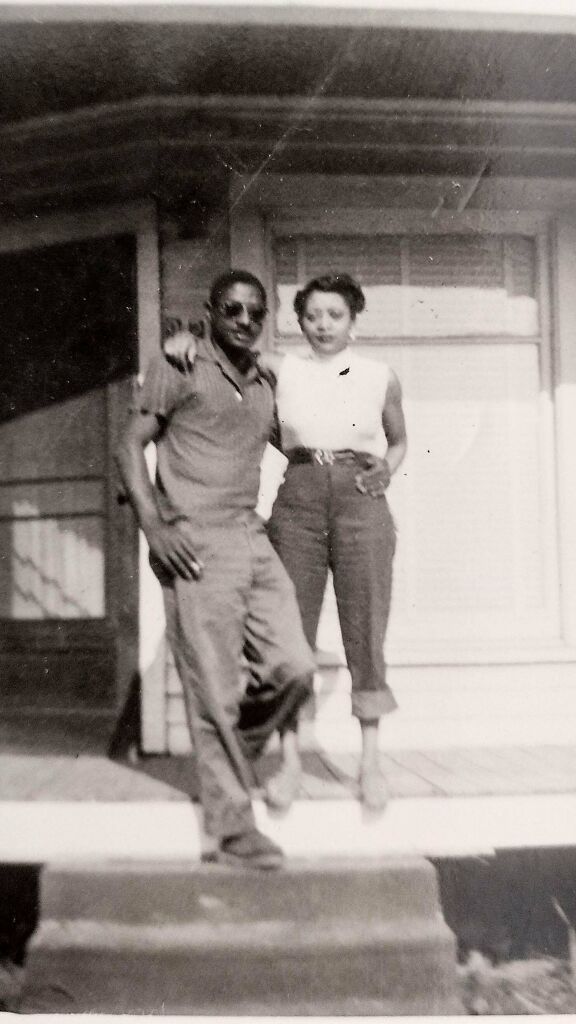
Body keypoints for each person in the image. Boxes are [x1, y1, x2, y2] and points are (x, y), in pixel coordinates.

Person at [165, 272, 407, 813]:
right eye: (312, 316)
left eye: (335, 315)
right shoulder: (280, 367)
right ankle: (291, 764)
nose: (323, 325)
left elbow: (399, 440)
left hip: (360, 503)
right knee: (288, 636)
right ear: (299, 321)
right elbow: (220, 347)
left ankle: (370, 763)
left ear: (353, 320)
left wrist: (386, 470)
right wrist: (181, 338)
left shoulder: (379, 376)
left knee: (365, 630)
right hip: (297, 498)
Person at [116, 269, 315, 870]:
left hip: (249, 535)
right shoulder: (178, 366)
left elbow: (302, 440)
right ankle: (232, 830)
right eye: (233, 310)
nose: (246, 322)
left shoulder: (265, 382)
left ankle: (229, 757)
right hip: (194, 542)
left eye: (257, 313)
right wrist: (155, 528)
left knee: (294, 666)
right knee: (215, 690)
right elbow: (129, 446)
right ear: (210, 312)